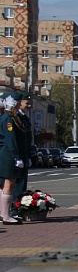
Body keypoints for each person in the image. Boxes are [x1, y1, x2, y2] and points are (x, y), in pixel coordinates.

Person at [0, 94, 27, 224]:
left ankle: (3, 214)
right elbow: (10, 139)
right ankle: (5, 215)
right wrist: (17, 157)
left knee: (5, 185)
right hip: (8, 155)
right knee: (9, 184)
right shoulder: (8, 119)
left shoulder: (7, 118)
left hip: (6, 154)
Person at [11, 92, 33, 212]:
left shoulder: (23, 118)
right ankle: (13, 210)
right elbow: (13, 139)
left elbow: (27, 139)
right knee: (16, 185)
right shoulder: (14, 118)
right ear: (19, 103)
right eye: (27, 103)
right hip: (17, 155)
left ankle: (19, 209)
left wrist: (28, 156)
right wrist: (17, 156)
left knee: (22, 184)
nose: (29, 106)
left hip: (24, 155)